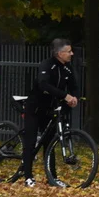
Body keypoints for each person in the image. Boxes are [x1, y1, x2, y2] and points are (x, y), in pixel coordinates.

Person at [18, 38, 80, 188]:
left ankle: (52, 177)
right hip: (35, 108)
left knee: (49, 143)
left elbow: (74, 86)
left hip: (50, 109)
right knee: (31, 142)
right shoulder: (46, 65)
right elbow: (43, 84)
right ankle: (28, 177)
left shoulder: (68, 68)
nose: (71, 54)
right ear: (59, 53)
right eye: (69, 51)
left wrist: (74, 98)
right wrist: (64, 96)